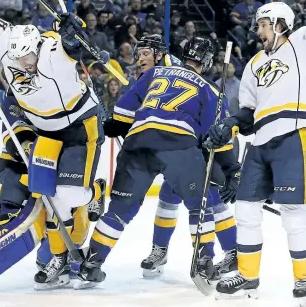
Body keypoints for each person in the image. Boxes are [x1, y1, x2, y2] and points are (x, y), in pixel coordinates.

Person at [73, 34, 239, 292]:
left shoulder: (157, 73)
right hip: (179, 146)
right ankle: (204, 261)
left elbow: (123, 113)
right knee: (200, 205)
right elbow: (215, 137)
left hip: (138, 143)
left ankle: (92, 263)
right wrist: (231, 170)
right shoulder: (211, 90)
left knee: (119, 209)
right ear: (206, 63)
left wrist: (115, 126)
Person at [0, 1, 106, 292]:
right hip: (44, 131)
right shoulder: (7, 40)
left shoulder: (54, 50)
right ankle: (59, 258)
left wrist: (76, 32)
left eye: (30, 57)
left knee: (71, 194)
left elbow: (76, 46)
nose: (26, 64)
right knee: (52, 197)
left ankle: (96, 191)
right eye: (19, 60)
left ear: (39, 48)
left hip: (79, 127)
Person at [205, 2, 306, 302]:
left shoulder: (300, 44)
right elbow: (248, 113)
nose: (258, 30)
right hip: (260, 142)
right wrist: (230, 126)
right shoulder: (253, 64)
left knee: (294, 211)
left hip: (295, 133)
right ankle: (248, 276)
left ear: (280, 24)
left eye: (263, 24)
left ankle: (303, 277)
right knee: (246, 208)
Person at [132, 36, 240, 281]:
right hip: (188, 151)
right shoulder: (207, 87)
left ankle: (224, 252)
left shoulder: (174, 76)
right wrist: (232, 167)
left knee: (201, 199)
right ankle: (176, 252)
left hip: (195, 152)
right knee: (182, 197)